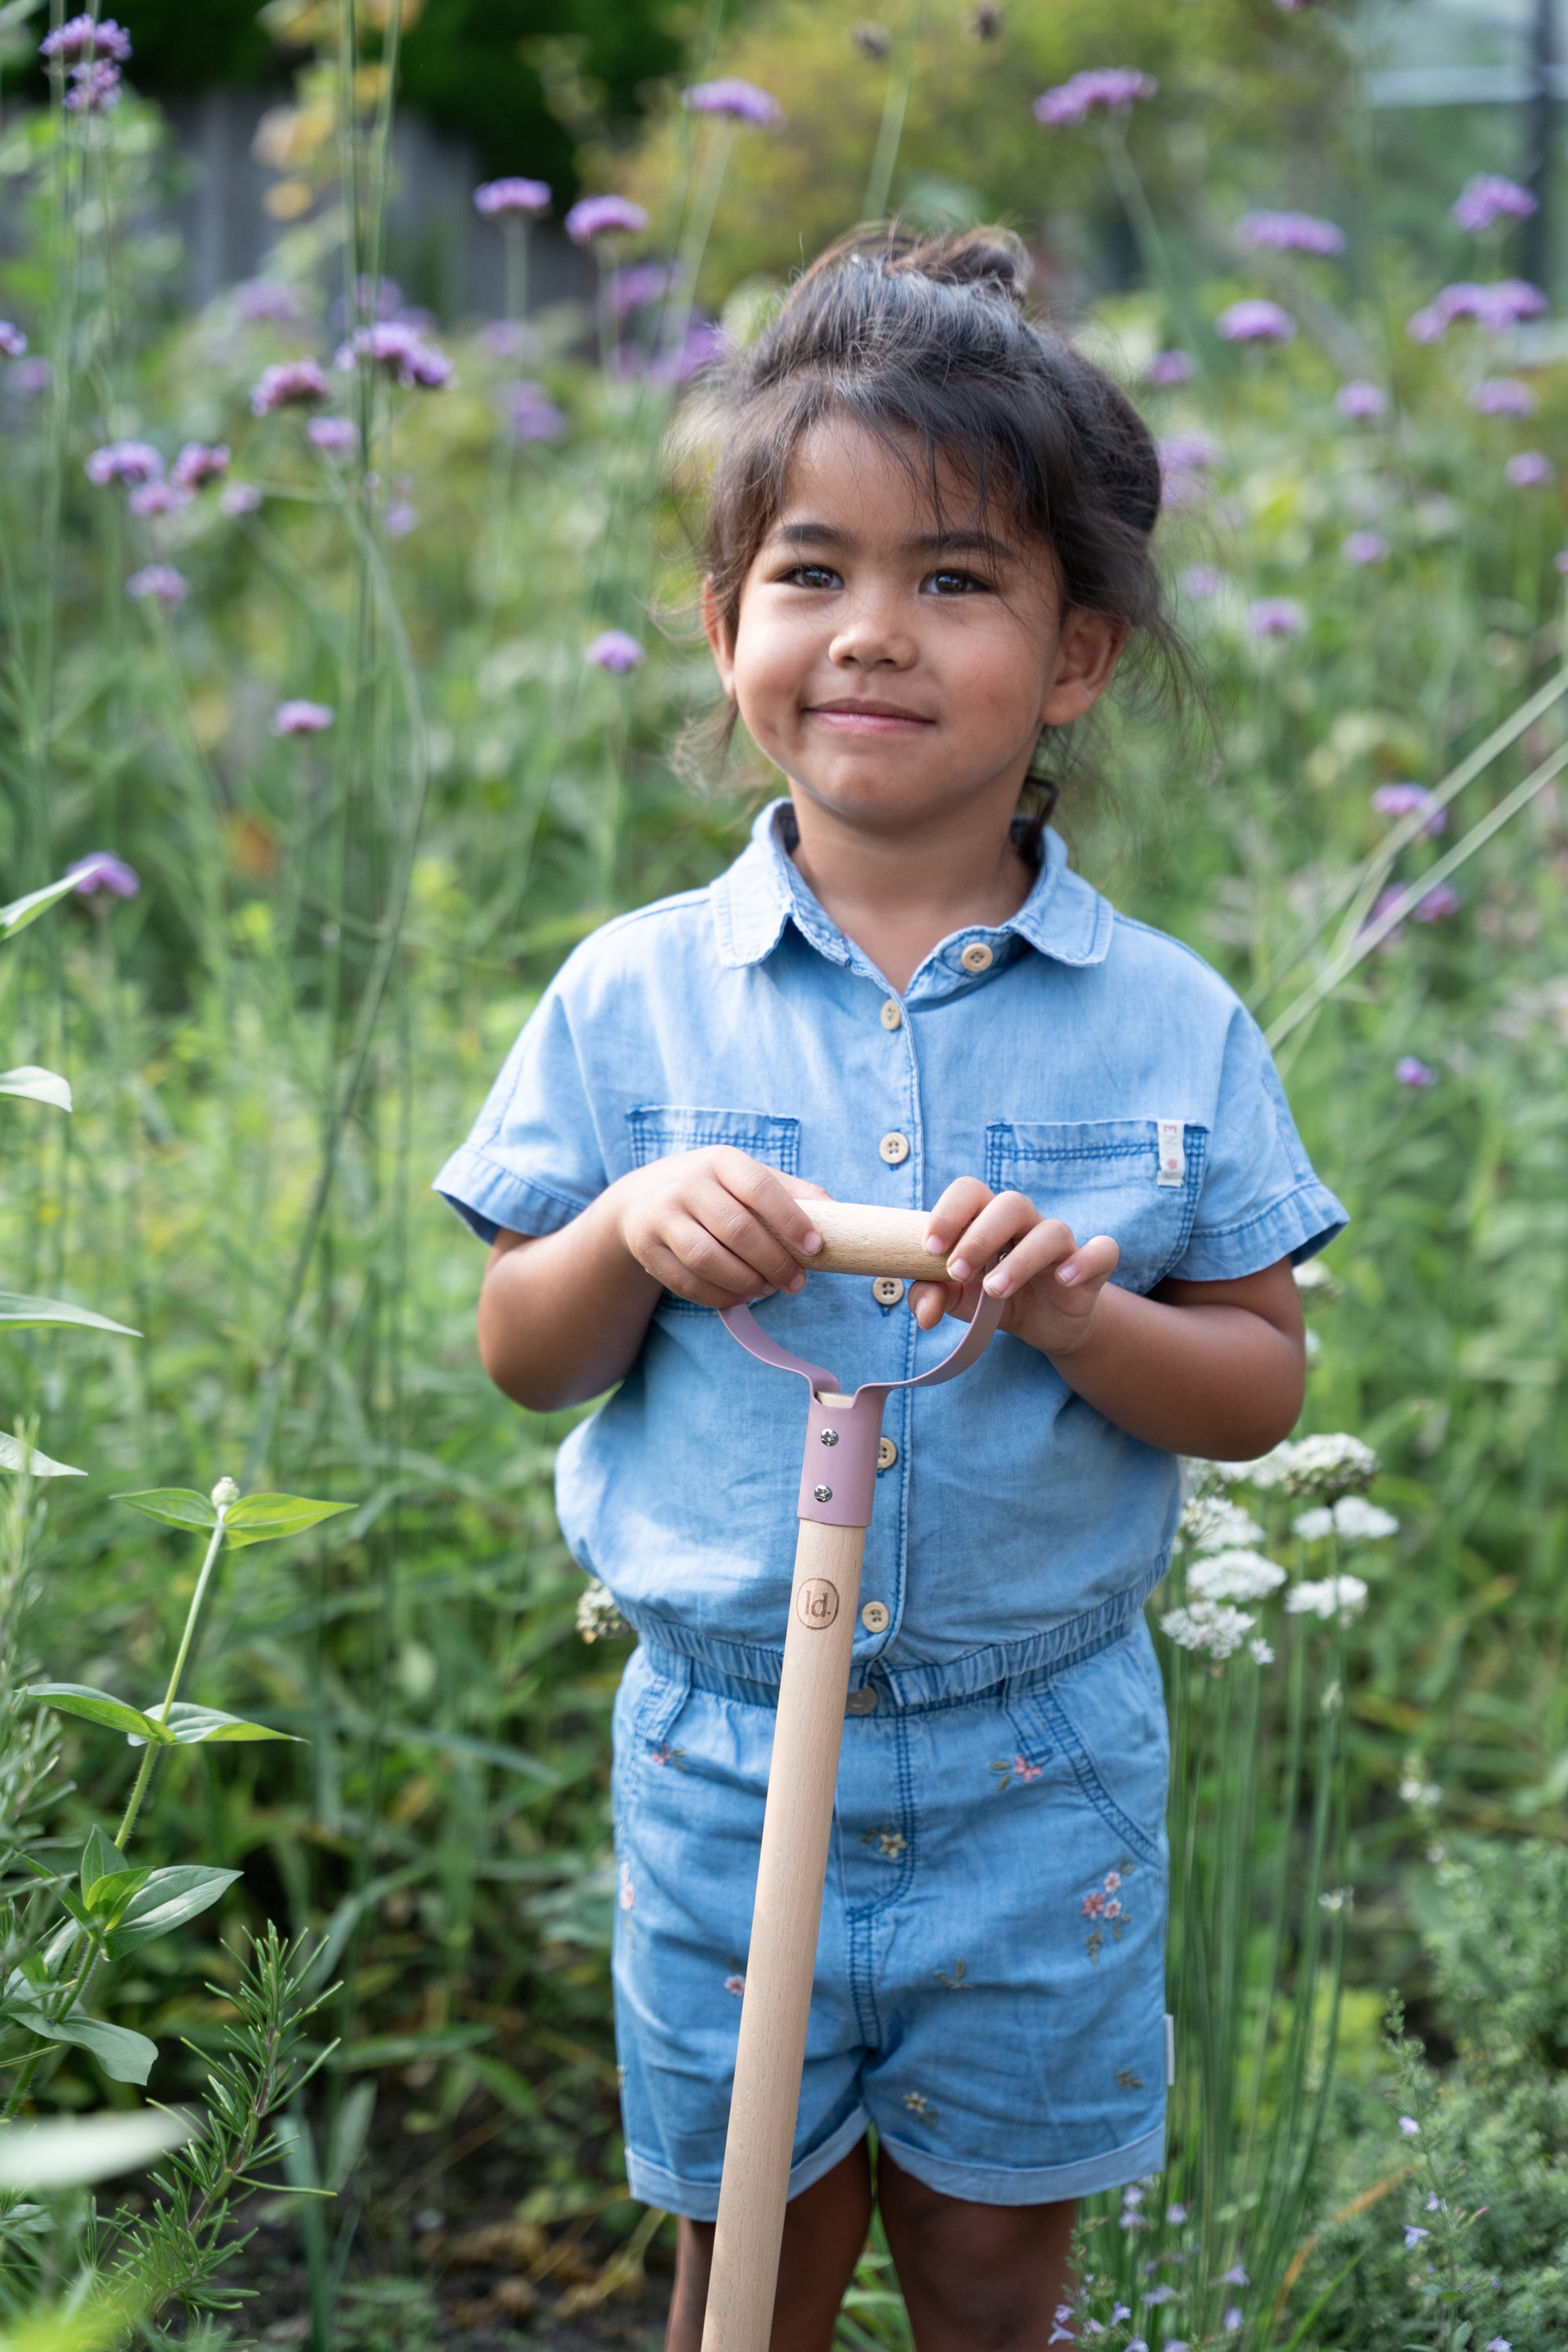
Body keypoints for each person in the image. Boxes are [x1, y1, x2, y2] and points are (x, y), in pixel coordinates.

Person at [434, 227, 1345, 2352]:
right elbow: (520, 1349)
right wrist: (629, 1229)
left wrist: (1081, 1318)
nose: (874, 633)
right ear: (726, 621)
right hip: (726, 1751)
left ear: (1082, 652)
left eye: (956, 579)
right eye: (812, 571)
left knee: (994, 2256)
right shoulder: (635, 996)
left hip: (1042, 1771)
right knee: (743, 2254)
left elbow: (1255, 1389)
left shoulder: (1170, 1025)